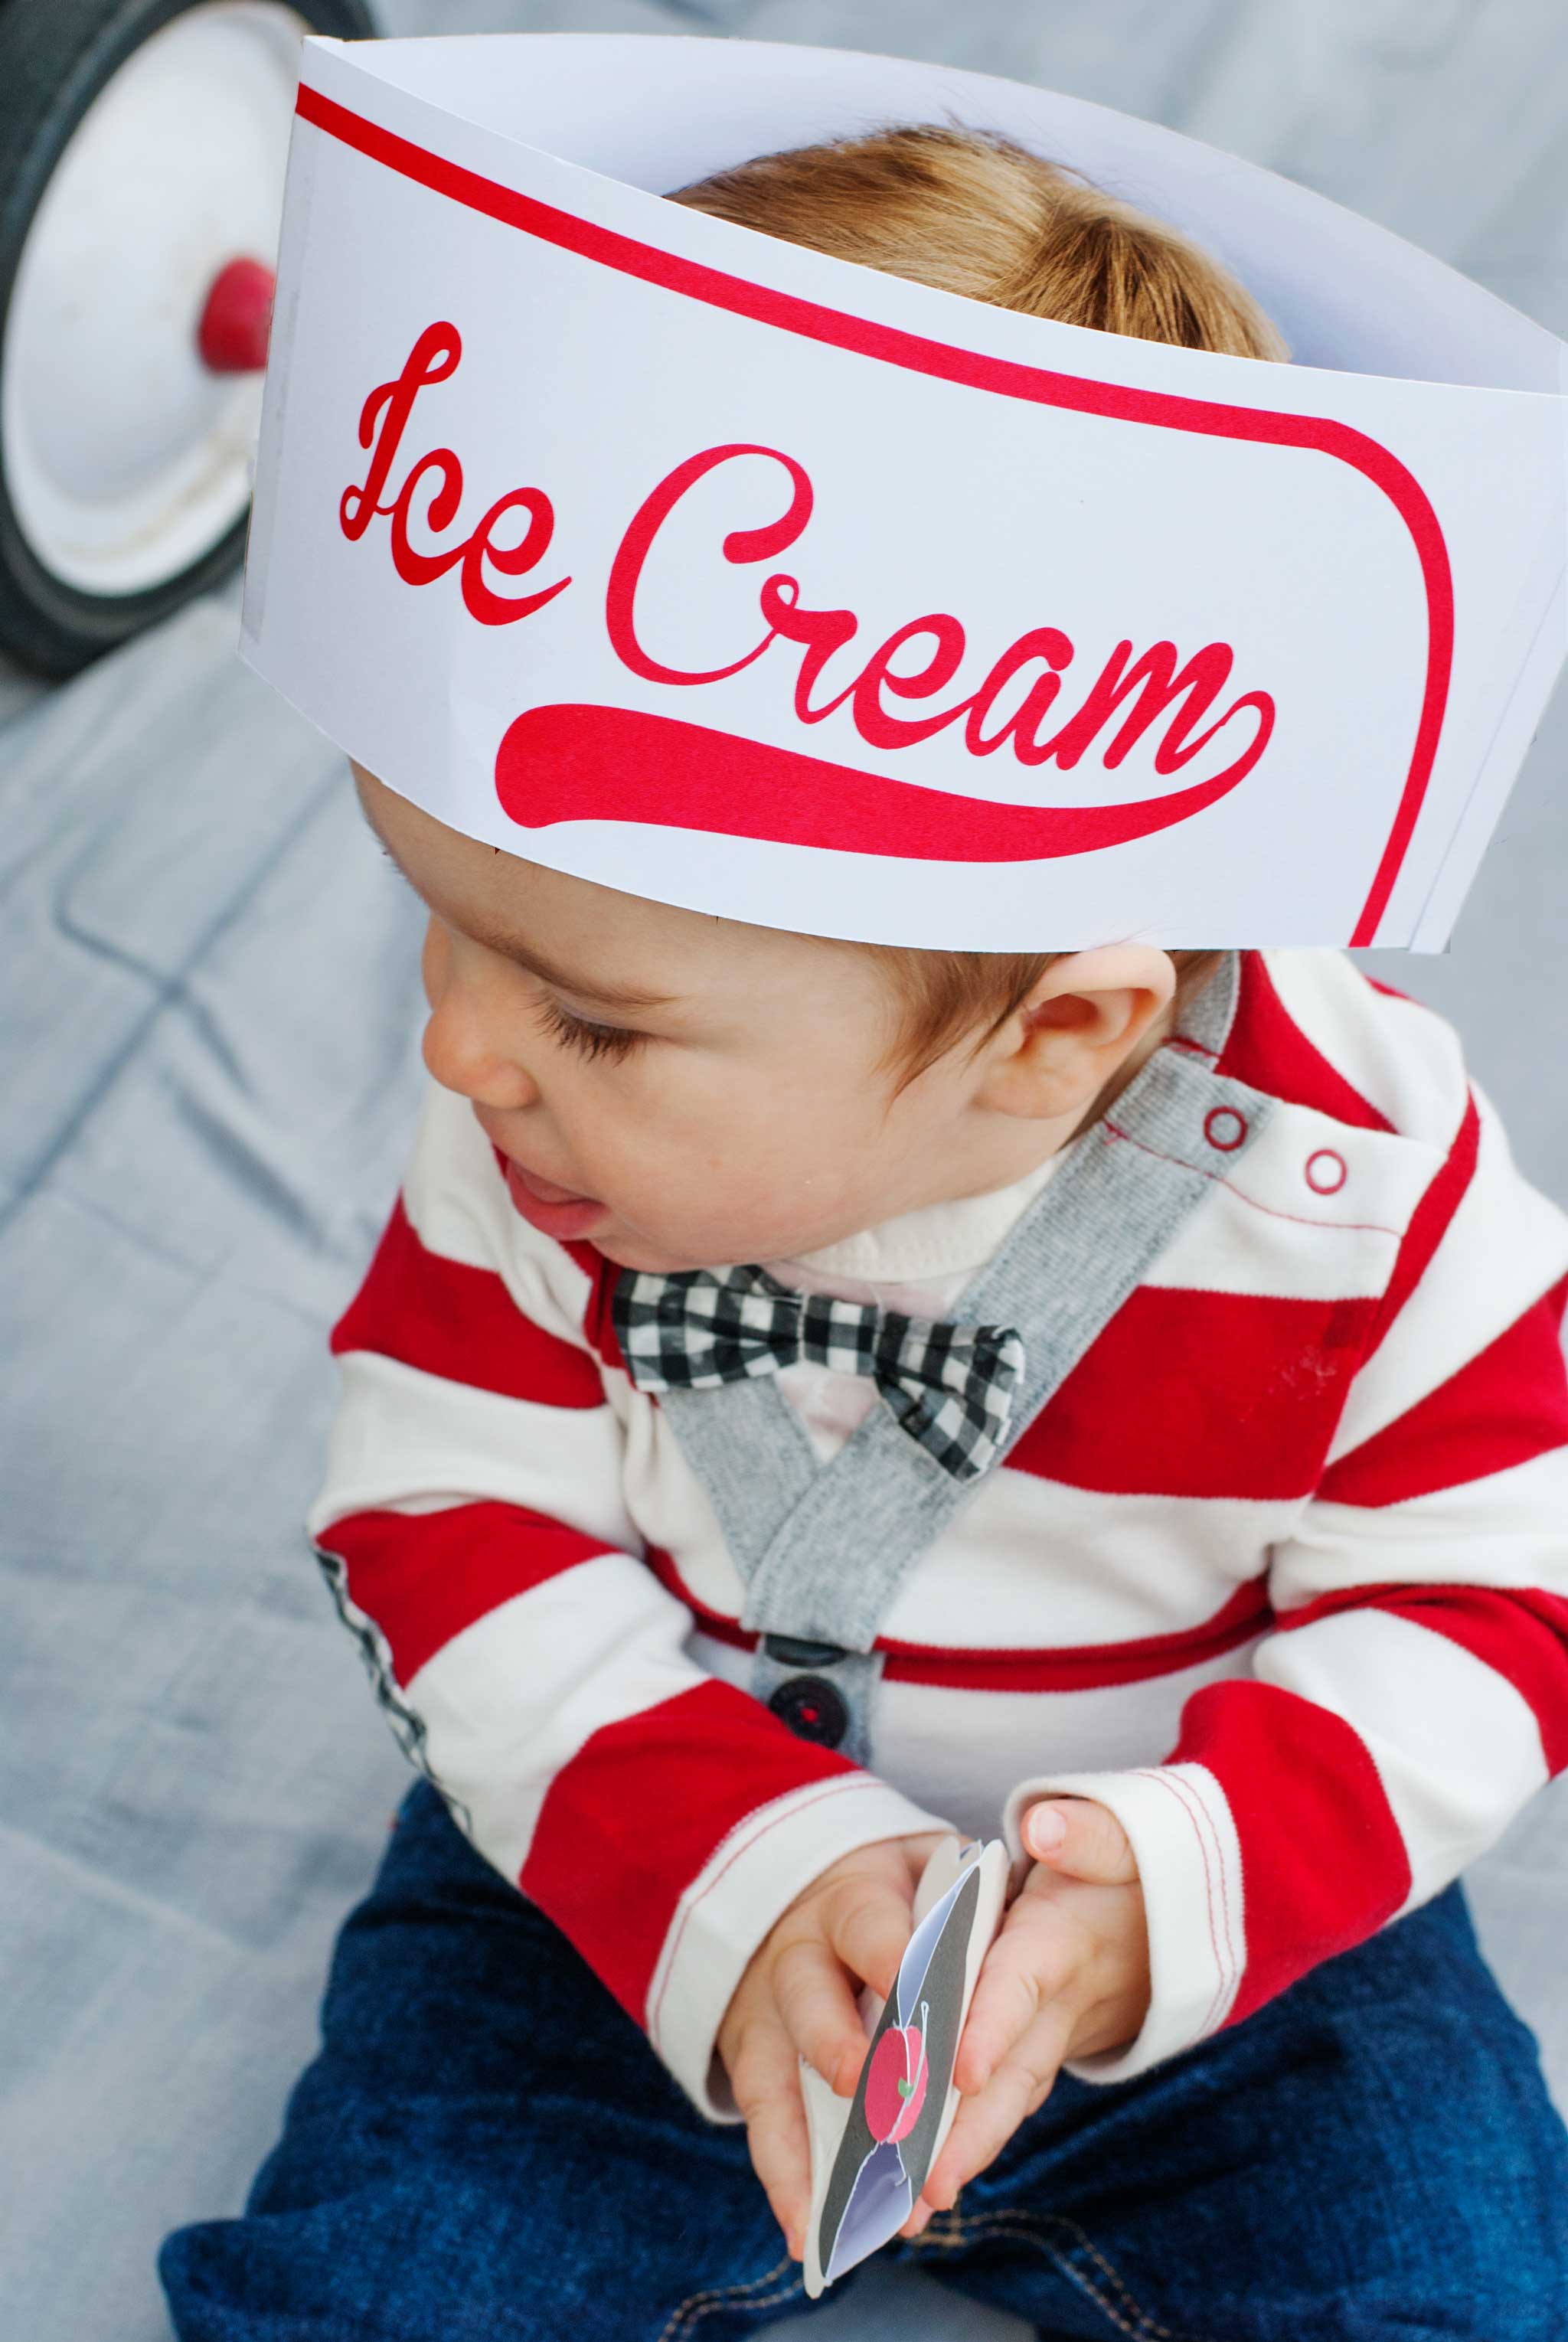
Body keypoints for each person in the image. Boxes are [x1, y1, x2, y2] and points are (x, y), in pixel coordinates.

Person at [158, 126, 1568, 2341]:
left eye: (593, 1012)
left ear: (1057, 1037)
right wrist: (727, 1867)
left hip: (1223, 1930)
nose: (461, 1052)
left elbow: (1492, 1592)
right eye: (446, 932)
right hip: (647, 1859)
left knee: (1460, 2287)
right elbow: (446, 1506)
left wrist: (1173, 1895)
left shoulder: (1370, 1196)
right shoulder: (546, 1145)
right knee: (383, 2282)